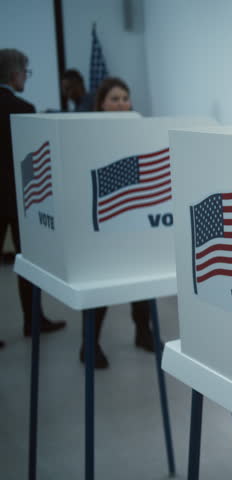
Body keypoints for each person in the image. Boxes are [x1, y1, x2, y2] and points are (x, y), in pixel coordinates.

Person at [80, 76, 153, 369]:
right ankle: (89, 343)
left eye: (126, 98)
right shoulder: (87, 134)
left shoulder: (142, 131)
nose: (122, 104)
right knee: (102, 283)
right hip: (102, 222)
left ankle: (144, 332)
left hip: (136, 219)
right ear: (101, 104)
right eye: (115, 99)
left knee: (142, 278)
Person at [0, 49, 67, 348]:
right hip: (18, 199)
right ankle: (32, 320)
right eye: (26, 72)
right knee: (28, 262)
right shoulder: (22, 107)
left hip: (14, 199)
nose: (25, 77)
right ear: (16, 74)